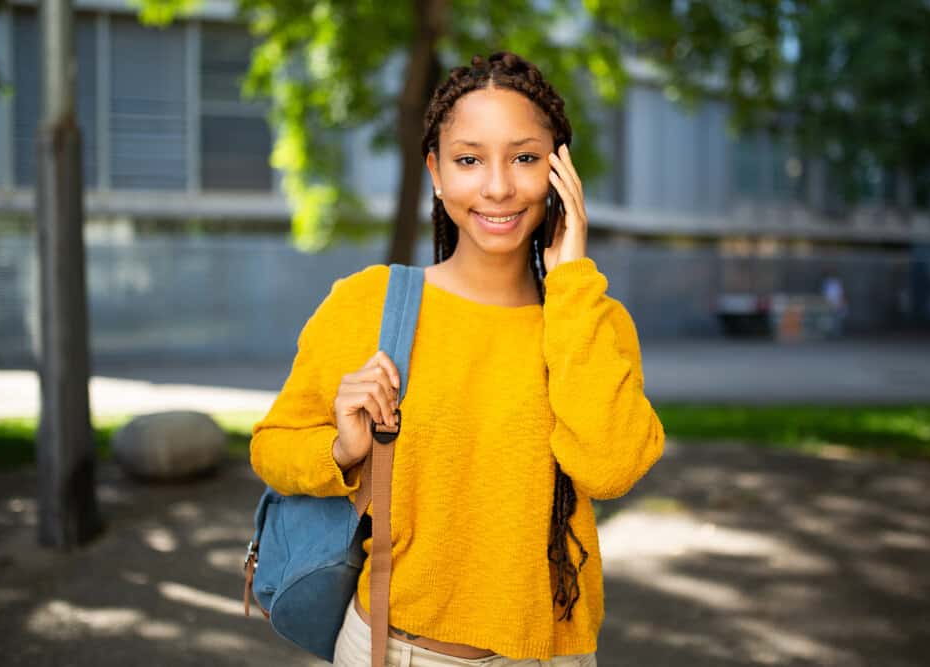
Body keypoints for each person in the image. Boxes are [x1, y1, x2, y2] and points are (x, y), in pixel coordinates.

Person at [249, 51, 665, 667]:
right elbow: (271, 446)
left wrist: (573, 281)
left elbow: (610, 469)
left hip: (552, 656)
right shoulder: (368, 303)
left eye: (524, 158)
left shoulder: (591, 321)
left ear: (560, 172)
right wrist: (341, 451)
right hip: (392, 651)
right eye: (469, 159)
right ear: (436, 172)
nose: (497, 186)